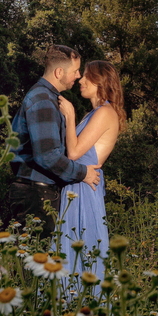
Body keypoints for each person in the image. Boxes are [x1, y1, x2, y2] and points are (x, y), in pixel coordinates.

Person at [8, 45, 101, 239]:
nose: (78, 76)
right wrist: (83, 173)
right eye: (75, 71)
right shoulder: (43, 100)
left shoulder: (47, 97)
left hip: (35, 192)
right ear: (59, 72)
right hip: (37, 196)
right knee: (37, 264)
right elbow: (47, 156)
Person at [57, 60, 125, 282]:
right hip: (78, 186)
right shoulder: (95, 113)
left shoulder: (105, 112)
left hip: (84, 191)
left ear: (101, 81)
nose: (81, 80)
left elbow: (74, 153)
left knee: (80, 256)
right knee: (70, 256)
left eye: (87, 76)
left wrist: (69, 115)